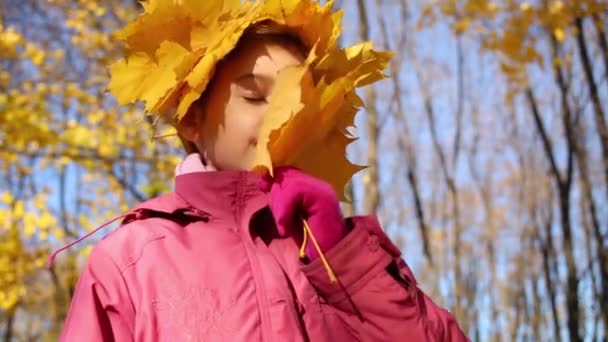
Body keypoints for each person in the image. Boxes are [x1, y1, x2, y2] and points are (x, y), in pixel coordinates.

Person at [53, 2, 469, 341]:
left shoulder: (339, 250)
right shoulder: (130, 259)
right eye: (255, 96)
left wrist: (342, 257)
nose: (283, 117)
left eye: (300, 102)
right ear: (192, 119)